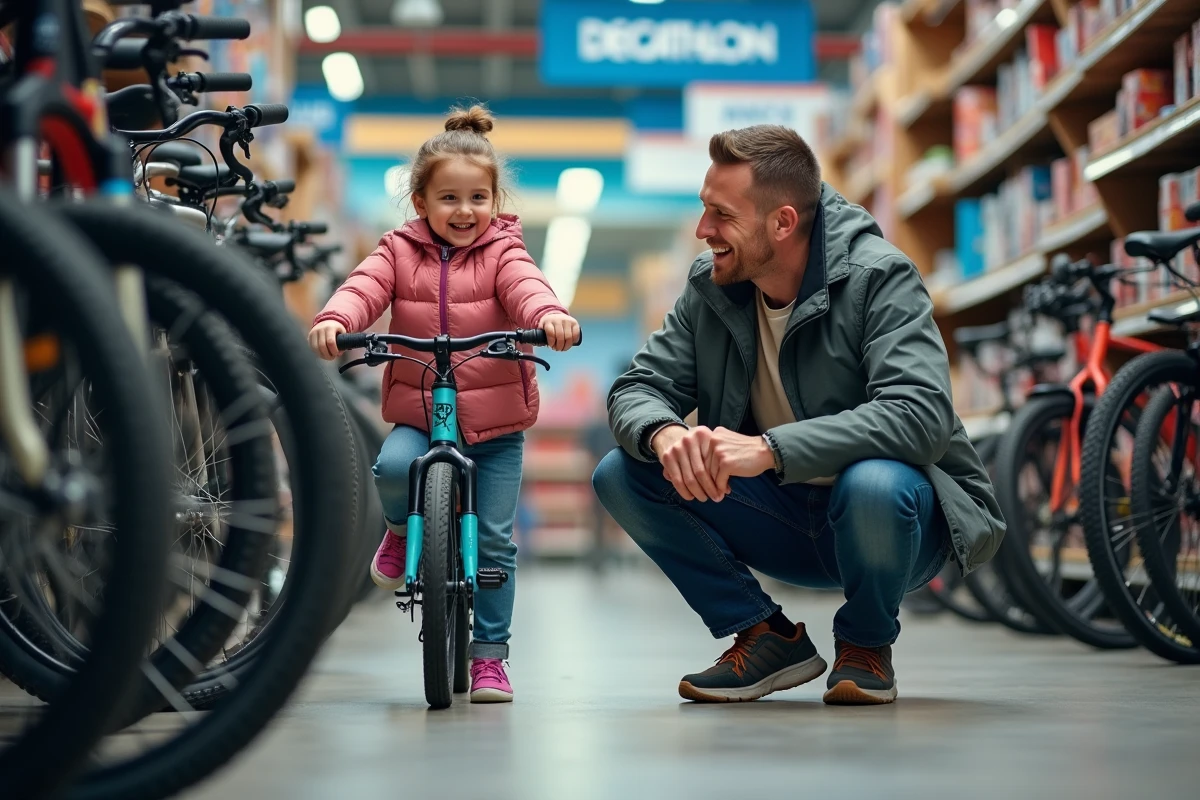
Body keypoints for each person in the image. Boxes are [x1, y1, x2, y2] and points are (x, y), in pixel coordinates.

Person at [591, 124, 1003, 706]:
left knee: (874, 481)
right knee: (621, 472)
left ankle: (865, 645)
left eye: (721, 215)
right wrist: (662, 434)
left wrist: (768, 449)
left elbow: (921, 415)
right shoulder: (710, 290)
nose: (704, 231)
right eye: (703, 210)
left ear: (782, 223)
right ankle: (765, 636)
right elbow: (637, 386)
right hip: (781, 517)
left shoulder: (878, 277)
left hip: (892, 523)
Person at [309, 105, 581, 704]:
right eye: (450, 198)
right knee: (391, 468)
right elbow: (364, 286)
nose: (465, 211)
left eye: (478, 198)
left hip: (497, 426)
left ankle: (489, 659)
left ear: (494, 199)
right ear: (421, 202)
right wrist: (336, 318)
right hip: (419, 411)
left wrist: (549, 316)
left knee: (494, 542)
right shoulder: (397, 249)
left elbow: (527, 288)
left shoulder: (505, 251)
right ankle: (400, 532)